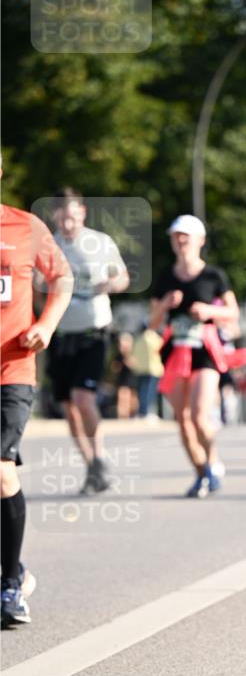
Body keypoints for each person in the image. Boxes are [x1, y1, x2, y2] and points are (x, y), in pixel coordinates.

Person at [1, 179, 73, 625]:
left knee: (1, 471)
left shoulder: (25, 227)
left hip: (12, 370)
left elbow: (62, 278)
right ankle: (16, 569)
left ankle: (10, 585)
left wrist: (46, 325)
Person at [150, 215, 246, 498]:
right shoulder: (166, 277)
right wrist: (166, 305)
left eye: (186, 236)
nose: (180, 241)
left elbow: (233, 313)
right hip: (176, 351)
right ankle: (201, 472)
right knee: (182, 419)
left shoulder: (213, 276)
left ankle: (213, 460)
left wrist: (208, 312)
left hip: (205, 351)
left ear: (200, 241)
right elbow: (153, 322)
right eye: (176, 236)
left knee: (198, 415)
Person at [48, 188, 130, 493]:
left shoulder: (100, 242)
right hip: (60, 334)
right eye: (62, 218)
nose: (68, 224)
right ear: (55, 216)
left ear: (82, 212)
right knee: (67, 407)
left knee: (84, 399)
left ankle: (100, 456)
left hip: (93, 332)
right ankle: (91, 466)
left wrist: (111, 283)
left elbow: (123, 277)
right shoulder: (49, 245)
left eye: (73, 217)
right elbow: (36, 286)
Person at [130, 323, 164, 418]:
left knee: (142, 391)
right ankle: (147, 411)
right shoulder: (153, 338)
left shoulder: (138, 339)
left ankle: (142, 411)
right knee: (150, 391)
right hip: (153, 369)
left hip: (140, 369)